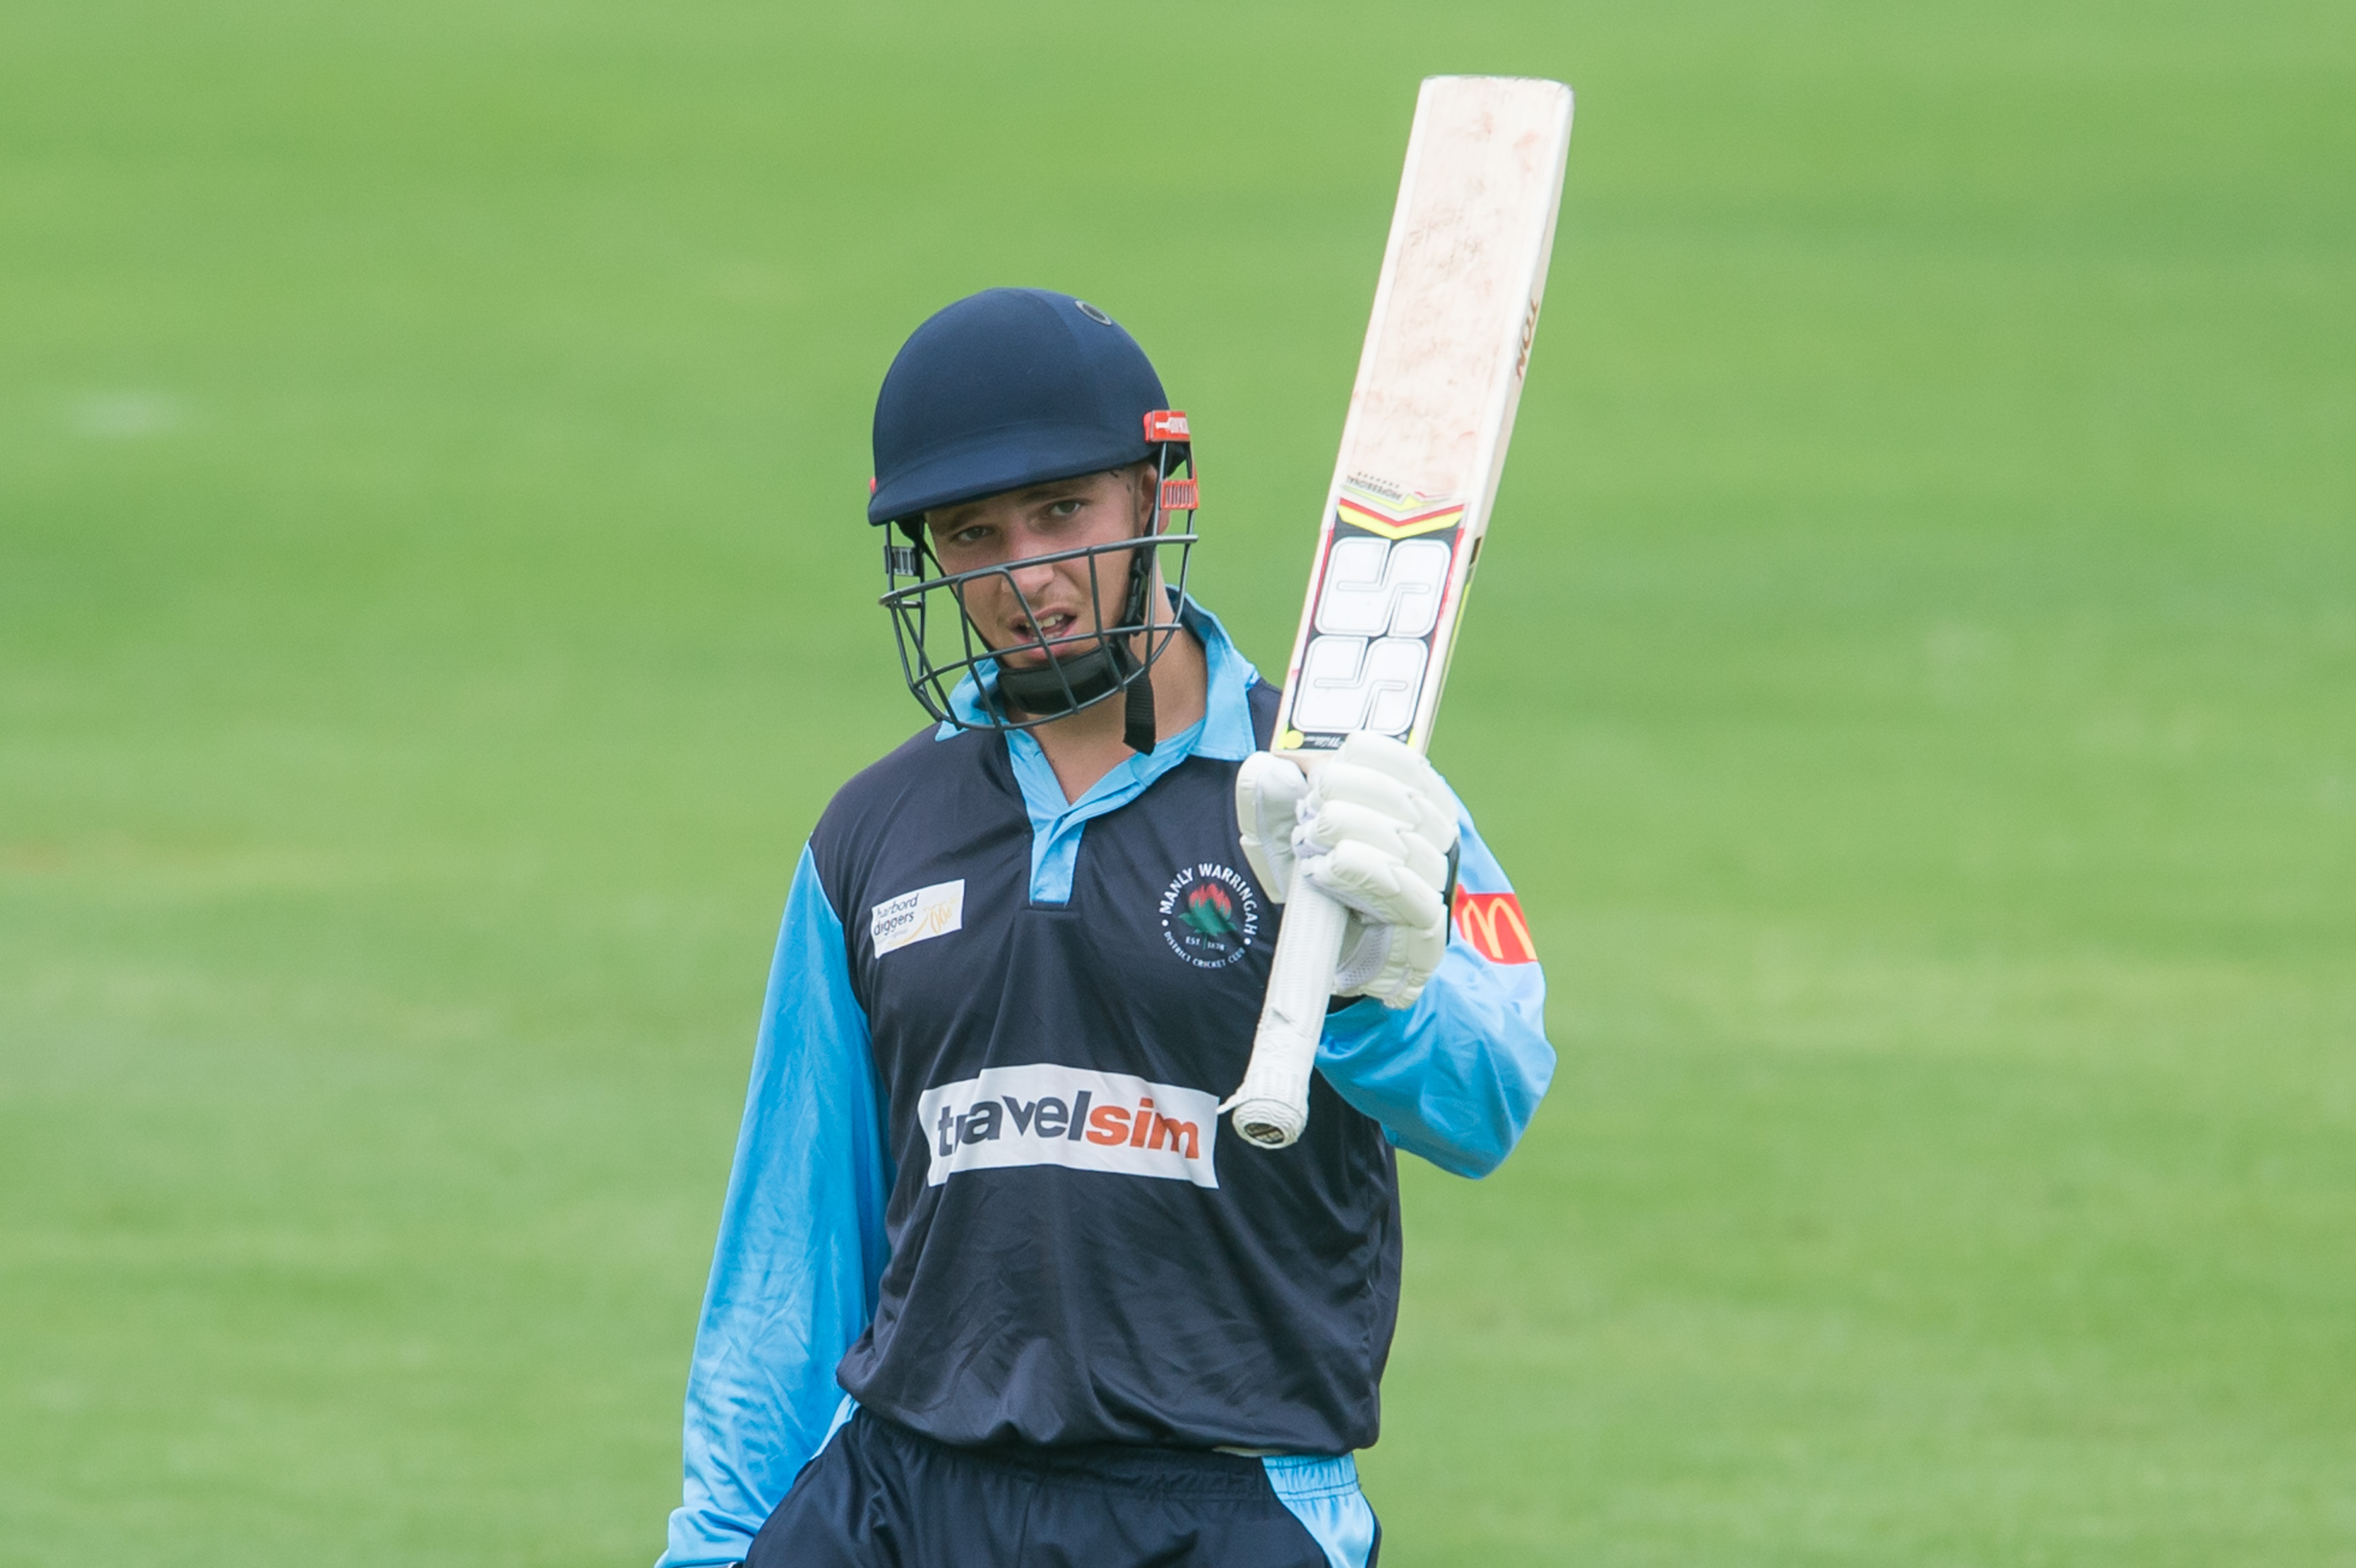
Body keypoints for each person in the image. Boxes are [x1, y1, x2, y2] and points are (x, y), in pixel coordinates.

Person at [657, 287, 1554, 1568]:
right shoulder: (871, 833)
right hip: (901, 1493)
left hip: (1223, 1504)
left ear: (1153, 494)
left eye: (1062, 511)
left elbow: (1489, 1101)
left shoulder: (1342, 796)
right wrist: (715, 1547)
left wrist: (1375, 994)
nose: (1025, 575)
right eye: (973, 533)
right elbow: (789, 1255)